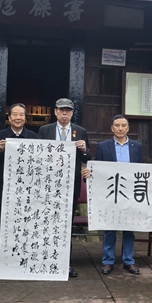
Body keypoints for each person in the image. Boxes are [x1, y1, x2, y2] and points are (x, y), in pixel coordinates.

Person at [0, 103, 39, 278]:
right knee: (2, 227)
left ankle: (25, 260)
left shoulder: (34, 137)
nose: (18, 118)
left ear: (25, 118)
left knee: (27, 226)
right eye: (15, 114)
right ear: (9, 117)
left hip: (27, 193)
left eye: (21, 115)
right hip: (4, 190)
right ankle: (1, 262)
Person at [38, 98, 91, 278]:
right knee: (46, 222)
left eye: (68, 110)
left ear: (72, 113)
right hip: (48, 185)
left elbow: (88, 157)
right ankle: (44, 260)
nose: (64, 113)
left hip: (70, 184)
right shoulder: (45, 130)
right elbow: (37, 155)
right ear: (55, 112)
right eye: (61, 110)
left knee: (66, 224)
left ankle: (64, 262)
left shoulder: (80, 131)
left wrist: (84, 150)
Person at [94, 115, 142, 275]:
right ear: (112, 128)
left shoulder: (136, 146)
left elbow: (140, 170)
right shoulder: (103, 146)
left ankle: (129, 261)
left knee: (129, 228)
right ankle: (108, 261)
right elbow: (98, 169)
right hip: (110, 192)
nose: (120, 128)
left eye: (123, 126)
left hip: (130, 192)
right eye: (117, 125)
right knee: (110, 228)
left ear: (128, 128)